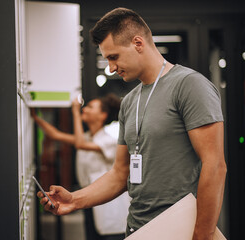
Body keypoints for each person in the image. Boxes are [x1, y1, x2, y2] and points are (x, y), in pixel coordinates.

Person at [37, 7, 227, 240]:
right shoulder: (130, 101)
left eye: (113, 57)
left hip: (178, 228)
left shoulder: (189, 86)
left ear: (138, 43)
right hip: (137, 228)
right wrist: (74, 200)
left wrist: (202, 236)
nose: (111, 68)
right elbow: (120, 173)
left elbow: (215, 166)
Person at [31, 93, 128, 240]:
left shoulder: (109, 140)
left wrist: (75, 112)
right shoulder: (88, 137)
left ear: (103, 115)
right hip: (88, 200)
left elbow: (80, 144)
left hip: (108, 203)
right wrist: (35, 117)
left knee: (110, 236)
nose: (85, 109)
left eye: (90, 107)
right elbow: (55, 135)